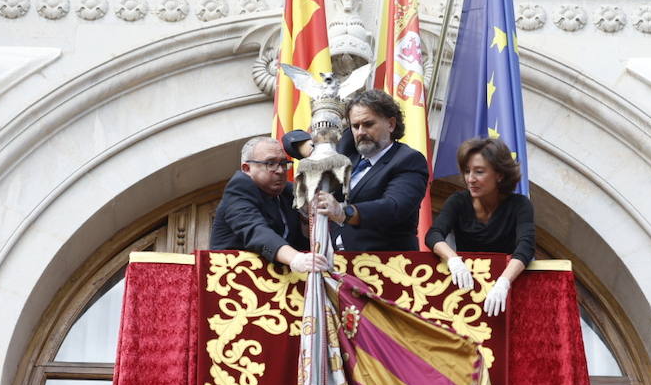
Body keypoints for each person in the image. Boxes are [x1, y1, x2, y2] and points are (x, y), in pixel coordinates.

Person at [425, 137, 535, 316]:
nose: (470, 179)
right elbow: (433, 234)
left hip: (506, 293)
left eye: (479, 172)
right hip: (465, 288)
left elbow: (526, 246)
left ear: (499, 175)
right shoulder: (458, 201)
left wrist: (503, 283)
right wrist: (453, 259)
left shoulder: (520, 205)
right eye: (467, 171)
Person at [313, 88, 429, 252]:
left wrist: (343, 212)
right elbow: (292, 141)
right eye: (355, 126)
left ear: (391, 124)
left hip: (385, 265)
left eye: (368, 124)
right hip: (334, 261)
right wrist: (307, 147)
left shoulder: (408, 160)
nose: (361, 132)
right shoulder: (347, 147)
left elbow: (394, 207)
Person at [210, 136, 325, 272]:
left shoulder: (288, 192)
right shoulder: (238, 189)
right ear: (247, 168)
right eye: (270, 164)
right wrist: (295, 258)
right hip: (234, 277)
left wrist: (307, 218)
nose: (281, 171)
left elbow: (299, 241)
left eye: (283, 163)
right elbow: (257, 232)